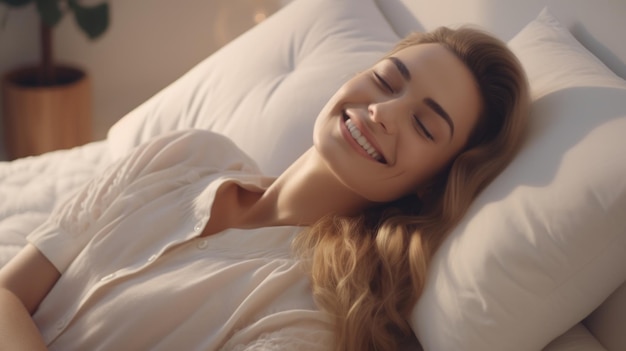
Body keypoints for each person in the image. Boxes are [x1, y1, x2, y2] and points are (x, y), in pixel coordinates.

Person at [0, 26, 528, 351]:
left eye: (424, 126)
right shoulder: (188, 153)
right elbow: (7, 291)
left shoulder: (306, 316)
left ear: (430, 184)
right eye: (388, 80)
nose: (382, 112)